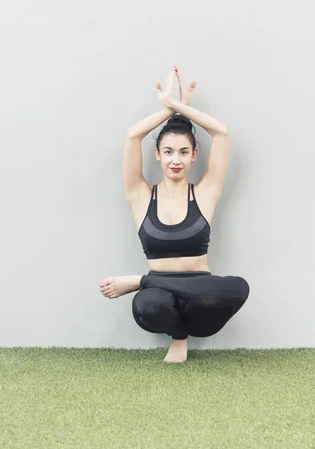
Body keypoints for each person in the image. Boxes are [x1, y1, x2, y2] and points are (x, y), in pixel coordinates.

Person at [99, 66, 250, 362]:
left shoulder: (205, 193)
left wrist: (179, 107)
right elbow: (132, 136)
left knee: (237, 287)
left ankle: (140, 281)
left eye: (183, 152)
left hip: (201, 297)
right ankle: (178, 337)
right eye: (168, 152)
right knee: (147, 304)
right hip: (161, 299)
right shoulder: (141, 195)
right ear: (157, 155)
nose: (175, 160)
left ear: (194, 155)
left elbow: (222, 132)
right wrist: (166, 111)